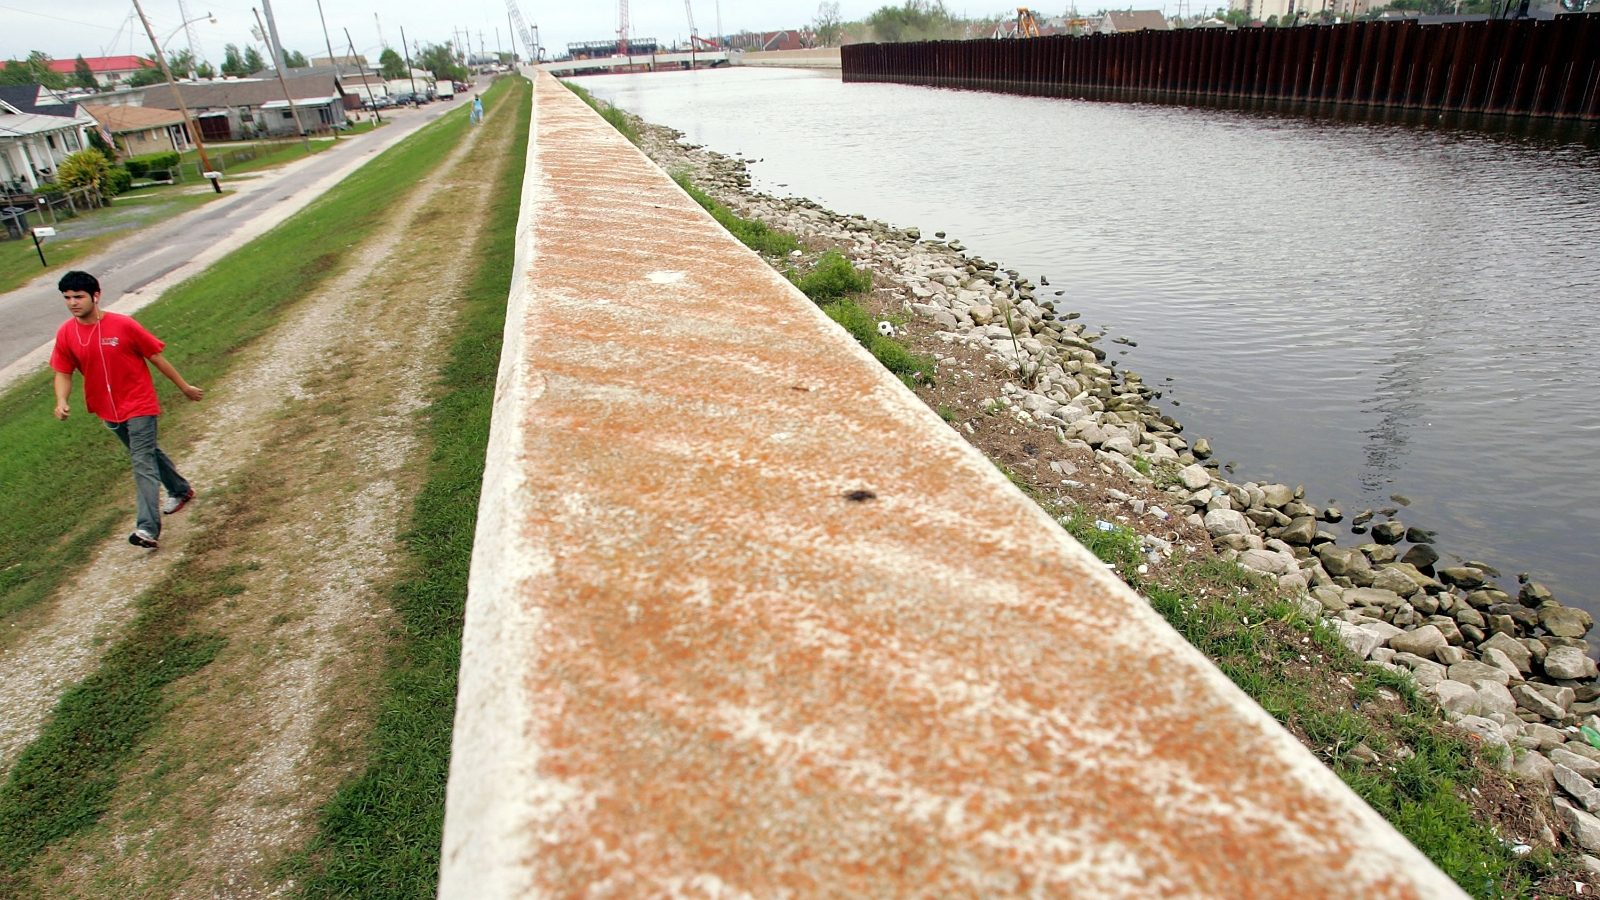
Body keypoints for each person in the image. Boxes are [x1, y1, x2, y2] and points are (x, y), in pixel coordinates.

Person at [50, 271, 203, 550]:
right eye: (67, 298)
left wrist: (183, 386)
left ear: (95, 296)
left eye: (79, 296)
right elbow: (63, 371)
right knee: (146, 452)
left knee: (141, 461)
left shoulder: (123, 325)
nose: (73, 302)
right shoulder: (66, 333)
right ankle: (180, 489)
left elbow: (156, 357)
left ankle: (147, 528)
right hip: (107, 408)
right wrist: (61, 400)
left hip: (139, 403)